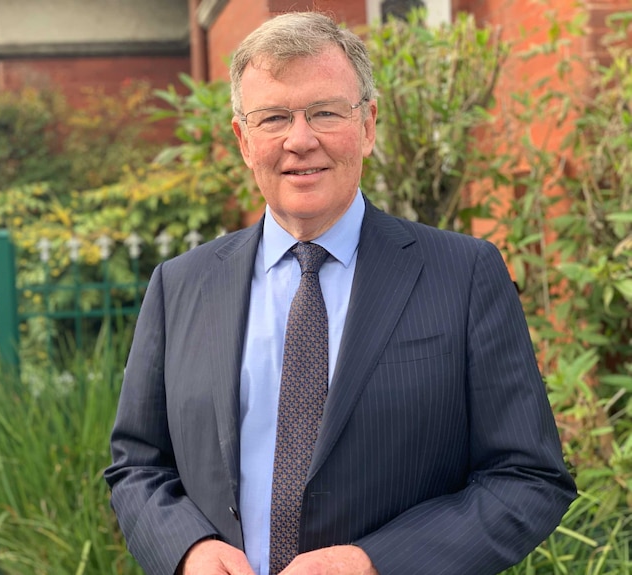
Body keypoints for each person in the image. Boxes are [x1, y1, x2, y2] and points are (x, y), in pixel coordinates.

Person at [105, 11, 576, 575]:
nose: (300, 140)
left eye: (325, 112)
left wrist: (376, 563)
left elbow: (528, 478)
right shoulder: (180, 285)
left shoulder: (464, 274)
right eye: (274, 117)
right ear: (243, 139)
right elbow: (137, 464)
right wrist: (188, 550)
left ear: (369, 125)